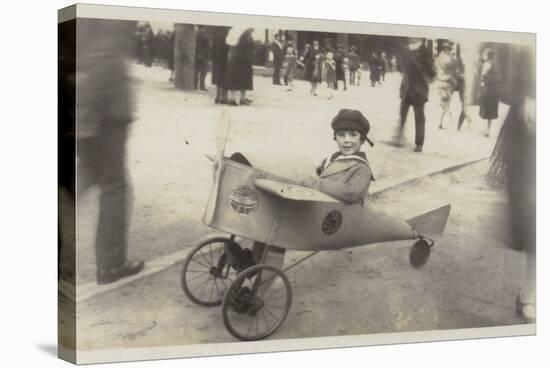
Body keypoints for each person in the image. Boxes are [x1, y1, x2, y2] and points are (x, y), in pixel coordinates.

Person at [76, 18, 144, 285]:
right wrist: (89, 110)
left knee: (86, 174)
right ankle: (111, 264)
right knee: (115, 186)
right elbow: (105, 55)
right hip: (104, 110)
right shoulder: (111, 14)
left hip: (87, 103)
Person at [487, 44, 535, 323]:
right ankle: (528, 296)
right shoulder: (526, 45)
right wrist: (525, 99)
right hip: (530, 142)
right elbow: (496, 82)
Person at [314, 109, 375, 204]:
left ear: (362, 140)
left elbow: (351, 192)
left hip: (349, 214)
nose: (346, 140)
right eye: (341, 135)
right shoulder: (331, 159)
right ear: (335, 138)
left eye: (353, 135)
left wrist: (316, 184)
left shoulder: (362, 168)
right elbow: (315, 173)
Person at [394, 38, 436, 152]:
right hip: (413, 88)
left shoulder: (420, 51)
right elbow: (431, 72)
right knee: (409, 115)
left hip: (415, 89)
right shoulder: (414, 50)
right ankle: (404, 139)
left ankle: (415, 142)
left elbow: (399, 67)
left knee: (415, 116)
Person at [225, 27, 255, 106]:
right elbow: (251, 45)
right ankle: (242, 98)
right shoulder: (246, 34)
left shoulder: (232, 31)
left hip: (233, 59)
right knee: (245, 80)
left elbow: (228, 43)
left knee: (233, 79)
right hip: (244, 60)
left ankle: (232, 99)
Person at [434, 40, 460, 129]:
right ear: (448, 49)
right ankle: (442, 120)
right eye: (448, 49)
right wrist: (455, 79)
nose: (448, 50)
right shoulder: (452, 59)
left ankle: (443, 120)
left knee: (443, 103)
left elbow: (435, 70)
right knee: (446, 103)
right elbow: (455, 71)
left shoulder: (438, 58)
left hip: (440, 82)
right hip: (448, 83)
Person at [478, 47, 501, 137]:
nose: (483, 56)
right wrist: (482, 80)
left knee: (490, 111)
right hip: (485, 91)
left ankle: (488, 130)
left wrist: (485, 78)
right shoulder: (484, 64)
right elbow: (482, 75)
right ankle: (486, 129)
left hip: (492, 92)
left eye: (484, 54)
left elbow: (497, 78)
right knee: (486, 111)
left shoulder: (495, 65)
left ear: (488, 56)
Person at [211, 26, 230, 104]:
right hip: (224, 60)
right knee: (225, 79)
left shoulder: (216, 34)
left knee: (218, 79)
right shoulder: (226, 34)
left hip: (216, 60)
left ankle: (218, 96)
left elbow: (212, 48)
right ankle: (224, 97)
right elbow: (227, 47)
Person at [194, 25, 210, 91]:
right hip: (203, 57)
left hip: (195, 55)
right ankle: (202, 86)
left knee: (196, 71)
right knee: (203, 72)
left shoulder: (195, 34)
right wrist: (203, 55)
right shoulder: (206, 35)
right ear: (204, 27)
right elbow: (207, 47)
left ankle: (194, 85)